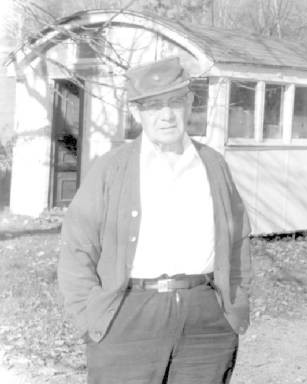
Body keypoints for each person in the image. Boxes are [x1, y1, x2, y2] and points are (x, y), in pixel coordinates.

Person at [57, 57, 252, 384]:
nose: (166, 115)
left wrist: (234, 303)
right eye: (153, 105)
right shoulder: (111, 169)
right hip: (128, 316)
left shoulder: (213, 165)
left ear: (190, 104)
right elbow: (77, 249)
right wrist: (89, 315)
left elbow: (237, 241)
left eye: (175, 101)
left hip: (206, 318)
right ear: (136, 113)